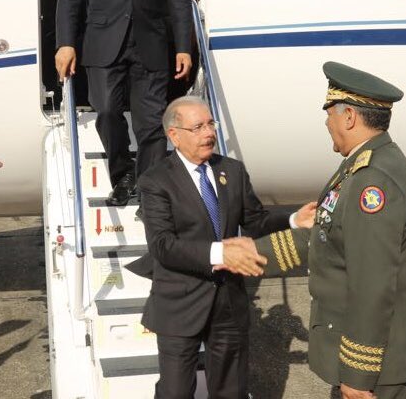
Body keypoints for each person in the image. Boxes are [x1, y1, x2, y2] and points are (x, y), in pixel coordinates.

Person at [225, 62, 406, 399]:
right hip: (370, 356)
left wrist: (357, 374)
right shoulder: (360, 166)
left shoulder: (373, 181)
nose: (327, 123)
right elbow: (324, 234)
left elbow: (373, 282)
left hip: (376, 365)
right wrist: (255, 253)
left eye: (329, 114)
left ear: (349, 117)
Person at [128, 96, 316, 399]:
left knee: (231, 391)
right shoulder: (156, 181)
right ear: (174, 135)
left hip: (228, 301)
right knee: (175, 392)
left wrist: (294, 219)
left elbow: (255, 221)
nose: (209, 133)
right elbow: (163, 246)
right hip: (179, 302)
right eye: (198, 127)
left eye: (211, 124)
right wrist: (220, 252)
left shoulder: (233, 171)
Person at [55, 0, 193, 208]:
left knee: (151, 125)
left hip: (151, 44)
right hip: (104, 42)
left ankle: (149, 194)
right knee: (106, 111)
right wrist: (66, 43)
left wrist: (184, 46)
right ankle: (123, 173)